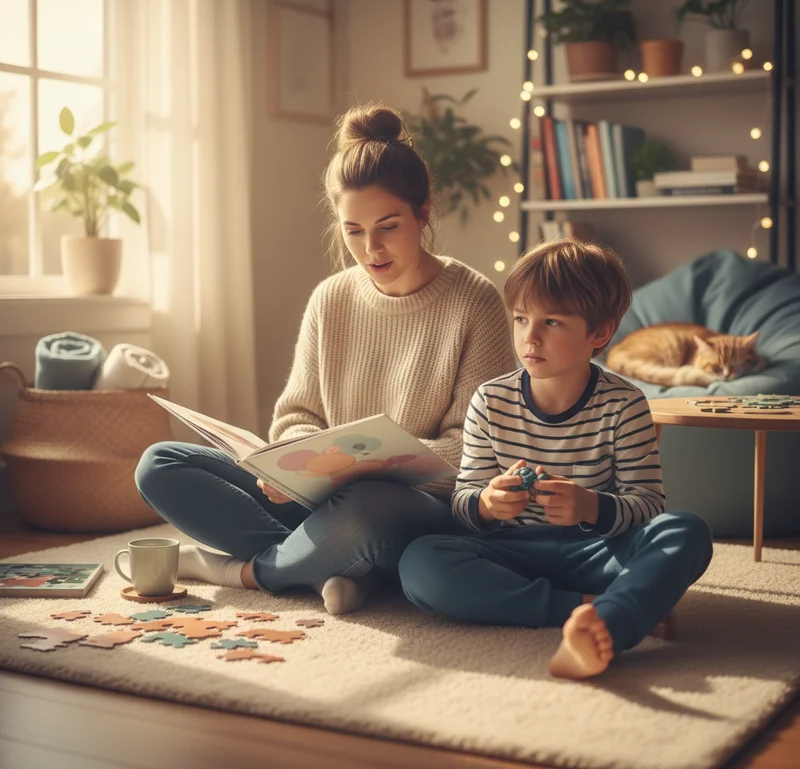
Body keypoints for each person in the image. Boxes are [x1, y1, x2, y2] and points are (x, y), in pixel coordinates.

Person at [135, 104, 518, 615]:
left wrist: (375, 469)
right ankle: (330, 569)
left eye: (388, 226)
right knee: (160, 463)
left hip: (406, 505)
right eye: (353, 230)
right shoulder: (331, 298)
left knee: (366, 509)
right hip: (320, 496)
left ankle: (248, 571)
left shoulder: (474, 300)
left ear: (423, 212)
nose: (371, 249)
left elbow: (476, 447)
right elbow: (298, 415)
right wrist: (290, 464)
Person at [398, 240, 714, 678]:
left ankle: (610, 623)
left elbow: (647, 505)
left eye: (551, 322)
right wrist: (488, 503)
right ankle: (594, 611)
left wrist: (590, 506)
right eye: (522, 319)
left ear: (599, 333)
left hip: (597, 552)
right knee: (420, 562)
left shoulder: (625, 405)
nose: (530, 336)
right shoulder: (489, 401)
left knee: (686, 531)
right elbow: (464, 499)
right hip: (510, 551)